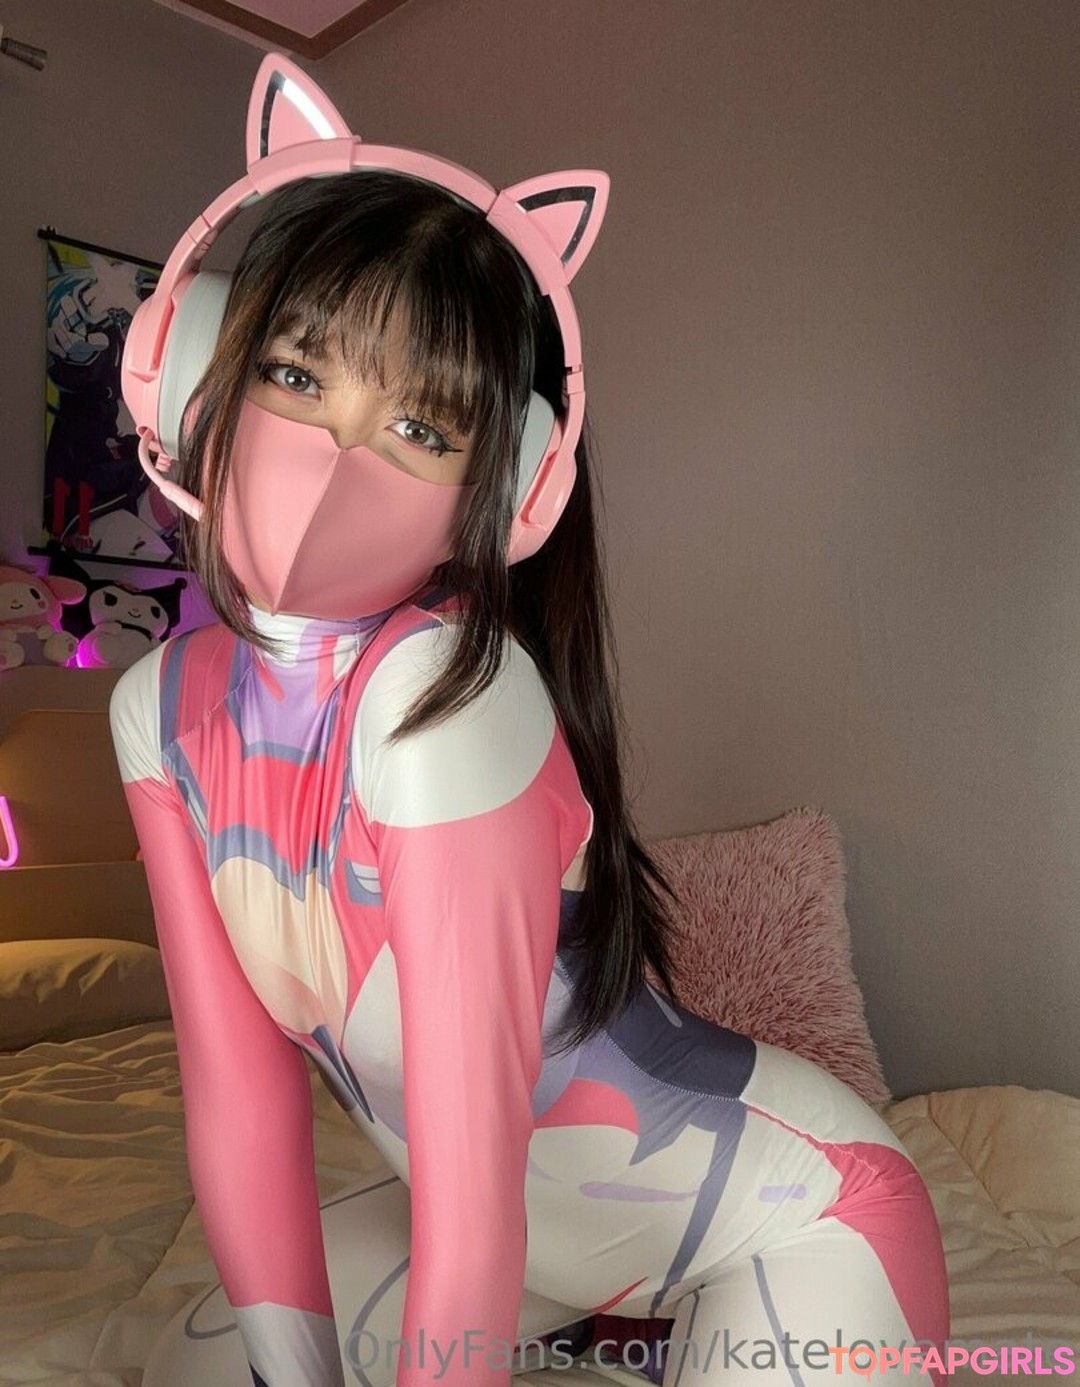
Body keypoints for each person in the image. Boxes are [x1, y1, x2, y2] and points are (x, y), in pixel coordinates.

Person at [109, 54, 950, 1387]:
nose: (338, 455)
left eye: (422, 428)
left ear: (503, 493)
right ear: (192, 368)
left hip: (792, 1221)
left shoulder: (440, 699)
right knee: (202, 1368)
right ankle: (611, 1331)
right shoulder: (156, 710)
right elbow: (240, 1094)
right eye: (295, 373)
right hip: (551, 1257)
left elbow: (472, 1167)